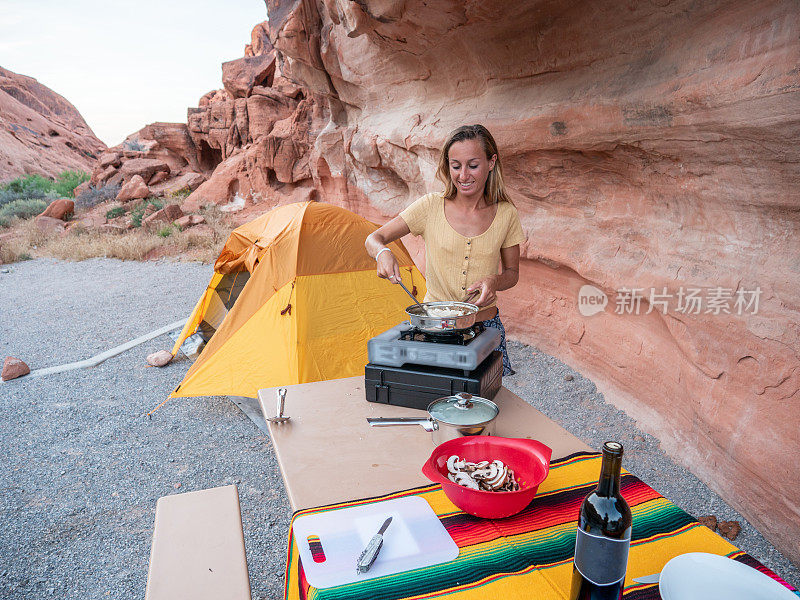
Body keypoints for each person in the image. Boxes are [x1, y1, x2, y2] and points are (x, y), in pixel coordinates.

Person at [365, 124, 525, 375]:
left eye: (473, 165)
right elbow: (374, 238)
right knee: (438, 402)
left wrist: (494, 281)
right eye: (455, 165)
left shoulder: (506, 214)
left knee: (486, 405)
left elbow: (512, 273)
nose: (463, 175)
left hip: (485, 327)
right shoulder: (430, 207)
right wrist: (382, 253)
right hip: (434, 330)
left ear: (491, 162)